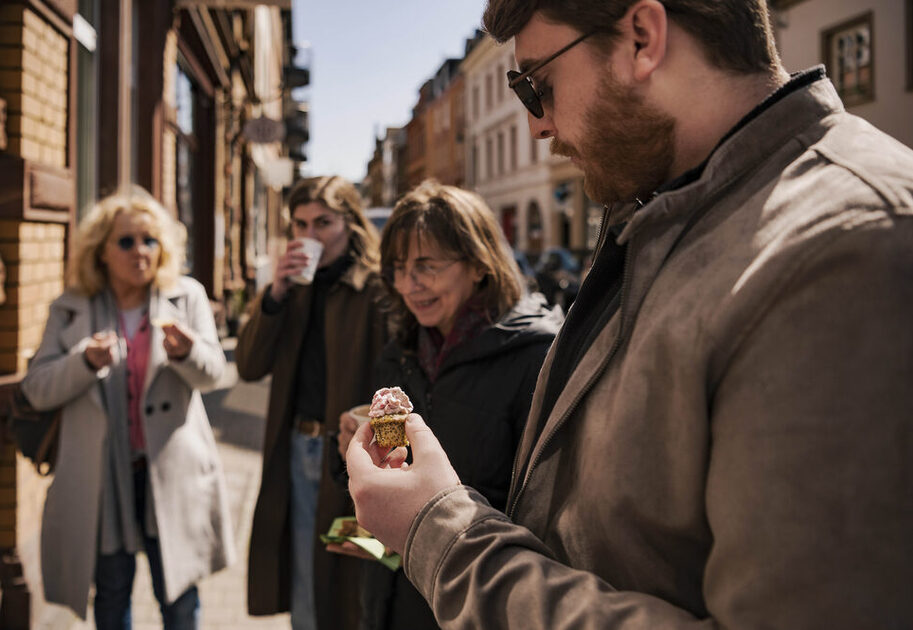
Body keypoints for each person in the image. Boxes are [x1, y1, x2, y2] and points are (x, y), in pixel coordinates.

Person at [346, 1, 913, 628]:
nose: (538, 126)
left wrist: (439, 532)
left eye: (537, 85)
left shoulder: (848, 244)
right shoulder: (669, 214)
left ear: (643, 37)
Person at [333, 181, 562, 630]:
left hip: (472, 605)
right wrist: (345, 451)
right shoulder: (400, 352)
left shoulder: (536, 360)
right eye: (398, 268)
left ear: (478, 265)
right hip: (390, 598)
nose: (407, 285)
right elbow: (384, 478)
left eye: (426, 266)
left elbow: (545, 518)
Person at [21, 187, 235, 628]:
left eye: (150, 240)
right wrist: (83, 362)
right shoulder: (70, 308)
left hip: (171, 472)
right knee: (112, 594)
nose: (140, 251)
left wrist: (186, 354)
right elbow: (37, 390)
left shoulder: (186, 296)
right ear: (100, 251)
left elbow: (214, 375)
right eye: (126, 241)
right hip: (102, 479)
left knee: (178, 598)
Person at [236, 175, 388, 630]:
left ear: (349, 223)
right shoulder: (293, 290)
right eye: (300, 224)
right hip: (301, 454)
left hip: (355, 461)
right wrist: (275, 295)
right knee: (306, 578)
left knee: (358, 573)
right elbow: (247, 366)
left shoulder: (375, 288)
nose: (310, 235)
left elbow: (397, 384)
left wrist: (386, 455)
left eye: (323, 222)